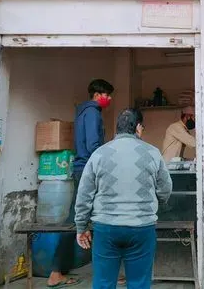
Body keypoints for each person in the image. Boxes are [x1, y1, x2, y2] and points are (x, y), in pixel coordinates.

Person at [75, 108, 173, 289]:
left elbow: (84, 194)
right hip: (142, 228)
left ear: (117, 129)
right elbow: (165, 188)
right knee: (139, 284)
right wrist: (153, 203)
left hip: (106, 228)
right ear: (137, 128)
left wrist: (82, 226)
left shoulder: (99, 154)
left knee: (103, 283)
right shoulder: (152, 152)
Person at [47, 79, 114, 288]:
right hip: (88, 170)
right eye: (107, 95)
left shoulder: (82, 112)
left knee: (81, 218)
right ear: (97, 94)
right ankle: (56, 272)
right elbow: (94, 144)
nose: (109, 99)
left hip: (81, 169)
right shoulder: (93, 112)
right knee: (84, 218)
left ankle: (101, 272)